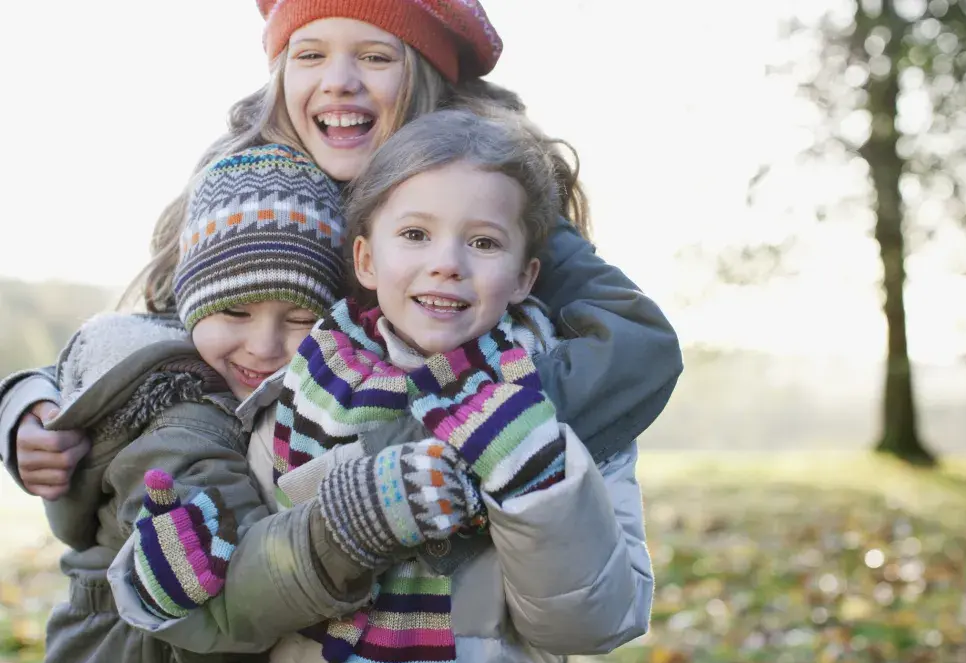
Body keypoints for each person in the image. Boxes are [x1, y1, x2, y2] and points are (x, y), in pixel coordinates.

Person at [1, 0, 682, 505]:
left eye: (377, 56)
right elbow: (153, 334)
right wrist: (34, 406)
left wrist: (466, 433)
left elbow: (637, 343)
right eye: (311, 53)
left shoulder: (483, 203)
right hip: (270, 541)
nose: (339, 81)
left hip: (441, 565)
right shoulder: (252, 192)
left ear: (428, 81)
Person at [116, 107, 653, 663]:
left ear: (525, 277)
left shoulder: (562, 403)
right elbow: (248, 612)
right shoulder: (297, 392)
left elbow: (596, 624)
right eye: (416, 234)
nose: (447, 263)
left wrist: (536, 481)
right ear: (367, 259)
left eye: (484, 241)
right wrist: (167, 589)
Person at [33, 144, 348, 663]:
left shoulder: (263, 396)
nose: (264, 345)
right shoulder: (183, 421)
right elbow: (230, 594)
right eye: (235, 311)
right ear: (190, 302)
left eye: (299, 318)